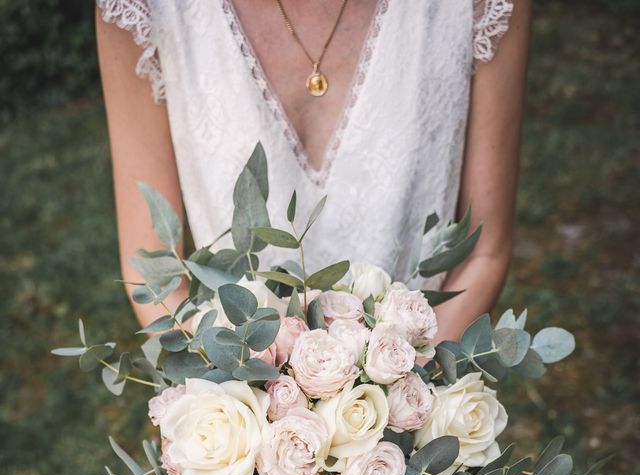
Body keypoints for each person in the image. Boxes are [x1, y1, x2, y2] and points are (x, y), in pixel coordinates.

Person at [96, 0, 532, 342]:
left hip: (426, 395)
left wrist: (403, 403)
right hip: (241, 422)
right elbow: (152, 275)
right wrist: (245, 413)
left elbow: (484, 250)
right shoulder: (143, 9)